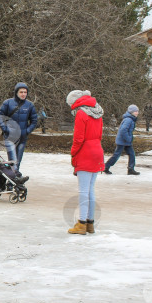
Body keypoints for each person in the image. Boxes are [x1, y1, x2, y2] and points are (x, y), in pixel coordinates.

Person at [66, 90, 104, 235]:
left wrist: (73, 153)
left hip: (85, 152)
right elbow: (99, 134)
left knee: (83, 190)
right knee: (90, 190)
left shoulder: (81, 113)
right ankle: (90, 223)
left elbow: (78, 138)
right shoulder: (97, 111)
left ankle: (81, 223)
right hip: (97, 150)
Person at [0, 82, 37, 171]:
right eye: (21, 92)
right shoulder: (7, 103)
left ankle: (13, 180)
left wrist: (27, 131)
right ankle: (14, 179)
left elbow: (34, 121)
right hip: (10, 137)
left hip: (22, 137)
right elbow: (0, 117)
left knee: (17, 161)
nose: (23, 94)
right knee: (13, 160)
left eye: (25, 92)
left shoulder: (30, 105)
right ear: (16, 92)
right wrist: (5, 129)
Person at [104, 104, 140, 175]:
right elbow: (123, 130)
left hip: (126, 141)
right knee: (117, 155)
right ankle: (106, 167)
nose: (137, 113)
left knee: (131, 154)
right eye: (136, 111)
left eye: (137, 111)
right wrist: (128, 138)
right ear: (131, 112)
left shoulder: (130, 119)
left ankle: (131, 169)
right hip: (123, 141)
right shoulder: (128, 120)